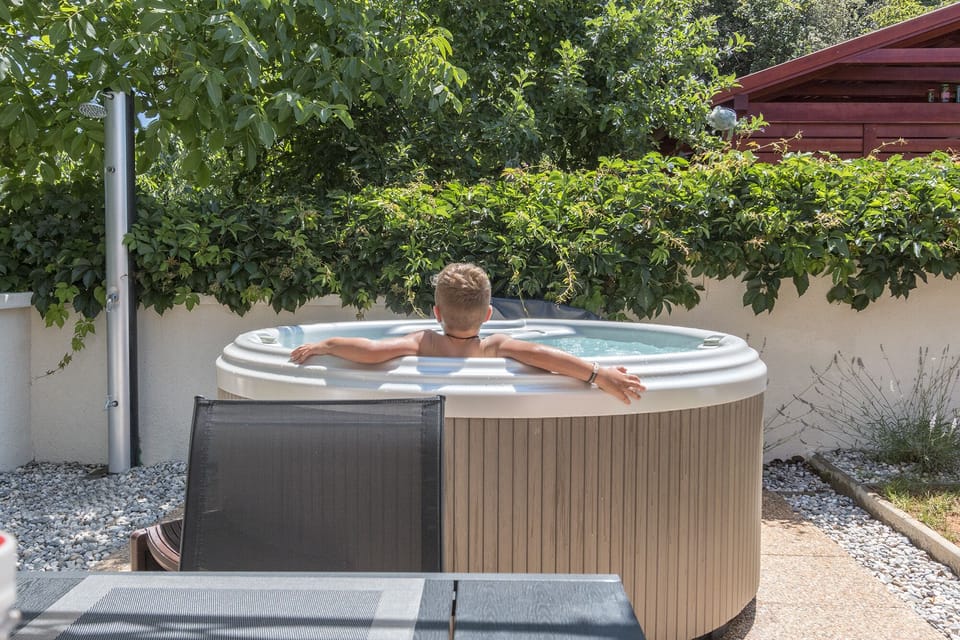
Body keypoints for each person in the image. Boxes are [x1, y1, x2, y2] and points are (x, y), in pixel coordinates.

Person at [290, 262, 646, 404]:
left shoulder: (423, 342)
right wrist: (598, 374)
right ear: (489, 314)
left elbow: (371, 350)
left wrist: (327, 344)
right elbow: (545, 357)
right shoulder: (494, 346)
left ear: (436, 312)